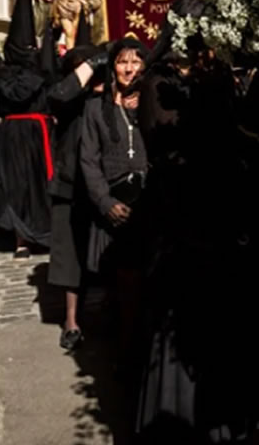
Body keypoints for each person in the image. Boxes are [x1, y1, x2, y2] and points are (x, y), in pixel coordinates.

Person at [135, 0, 259, 442]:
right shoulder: (159, 84)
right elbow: (176, 149)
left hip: (223, 228)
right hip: (181, 228)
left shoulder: (216, 81)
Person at [79, 36, 149, 360]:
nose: (129, 68)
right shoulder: (95, 109)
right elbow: (89, 161)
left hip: (150, 204)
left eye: (136, 61)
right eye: (123, 61)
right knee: (120, 285)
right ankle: (123, 349)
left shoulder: (154, 103)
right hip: (114, 204)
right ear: (112, 68)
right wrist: (105, 202)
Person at [46, 42, 109, 351]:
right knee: (70, 257)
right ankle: (71, 321)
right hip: (70, 186)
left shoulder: (111, 96)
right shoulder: (68, 99)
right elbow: (58, 95)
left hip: (105, 187)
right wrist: (93, 61)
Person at [0, 0, 55, 258]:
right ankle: (21, 238)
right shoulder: (5, 74)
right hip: (16, 137)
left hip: (39, 134)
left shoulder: (38, 68)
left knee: (40, 185)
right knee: (17, 185)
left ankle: (41, 233)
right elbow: (16, 94)